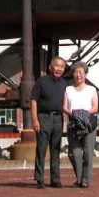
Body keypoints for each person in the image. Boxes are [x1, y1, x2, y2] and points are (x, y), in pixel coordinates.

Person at [30, 56, 67, 189]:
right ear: (51, 67)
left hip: (58, 119)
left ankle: (55, 179)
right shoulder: (41, 81)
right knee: (41, 149)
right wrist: (34, 120)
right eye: (57, 66)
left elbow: (65, 104)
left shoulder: (64, 83)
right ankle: (39, 179)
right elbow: (33, 100)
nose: (59, 69)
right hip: (43, 118)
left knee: (56, 150)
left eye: (62, 67)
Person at [63, 61, 98, 188]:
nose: (78, 75)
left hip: (88, 125)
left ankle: (85, 180)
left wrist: (84, 113)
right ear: (73, 74)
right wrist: (74, 114)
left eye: (81, 72)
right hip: (73, 124)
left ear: (85, 75)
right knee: (74, 153)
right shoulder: (68, 89)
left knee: (88, 153)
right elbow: (65, 107)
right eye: (76, 72)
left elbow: (95, 107)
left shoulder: (91, 89)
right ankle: (79, 178)